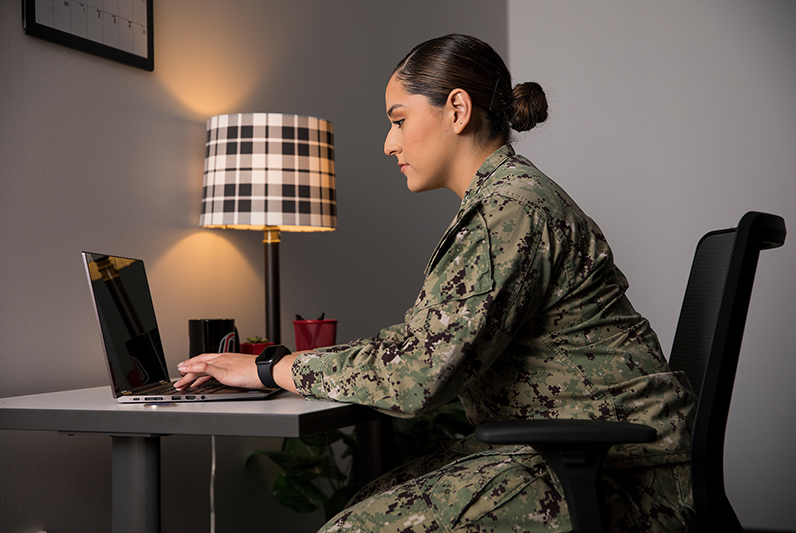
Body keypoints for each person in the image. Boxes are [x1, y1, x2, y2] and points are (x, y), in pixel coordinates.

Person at [176, 34, 697, 532]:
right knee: (365, 504)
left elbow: (417, 375)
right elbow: (421, 343)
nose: (387, 143)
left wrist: (271, 369)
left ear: (456, 110)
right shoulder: (505, 199)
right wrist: (277, 365)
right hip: (575, 452)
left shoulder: (507, 211)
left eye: (399, 120)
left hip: (619, 475)